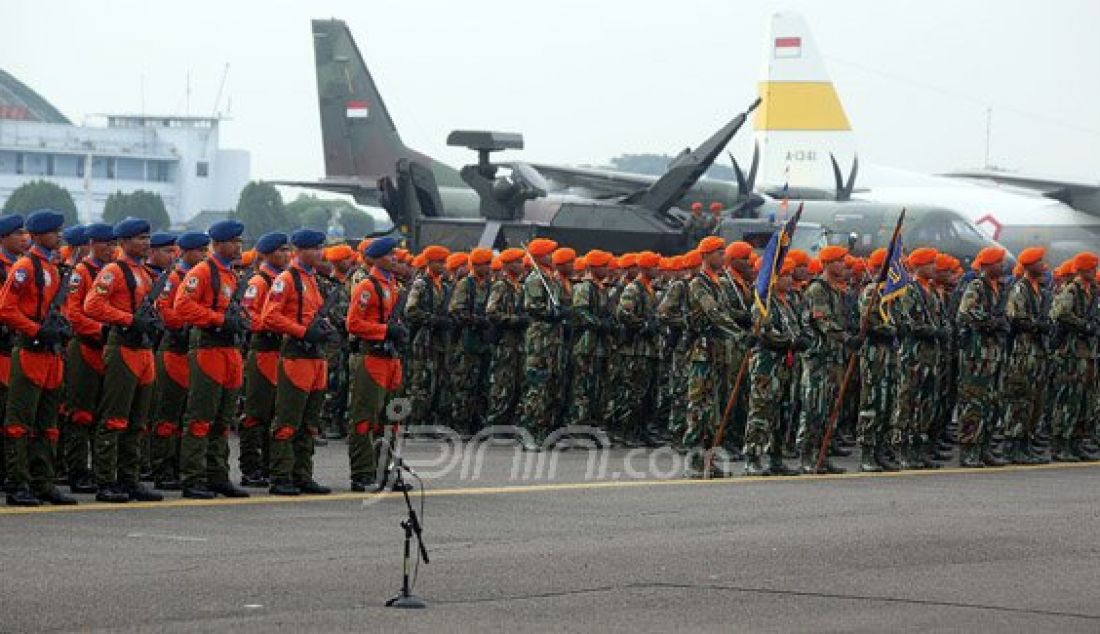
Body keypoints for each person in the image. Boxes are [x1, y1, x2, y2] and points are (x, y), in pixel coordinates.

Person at [82, 218, 163, 503]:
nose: (146, 243)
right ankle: (106, 481)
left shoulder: (144, 272)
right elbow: (91, 305)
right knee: (114, 418)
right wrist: (128, 319)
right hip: (123, 348)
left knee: (138, 421)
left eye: (147, 237)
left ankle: (130, 479)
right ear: (124, 242)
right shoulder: (113, 271)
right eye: (140, 238)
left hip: (143, 351)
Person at [0, 210, 76, 506]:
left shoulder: (54, 267)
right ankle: (19, 484)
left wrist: (63, 327)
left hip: (51, 353)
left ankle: (43, 481)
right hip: (30, 349)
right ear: (38, 235)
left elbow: (62, 307)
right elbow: (6, 309)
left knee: (48, 421)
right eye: (54, 231)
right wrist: (35, 329)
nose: (59, 235)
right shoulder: (25, 267)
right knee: (19, 422)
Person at [174, 220, 251, 499]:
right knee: (201, 416)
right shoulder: (204, 271)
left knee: (223, 418)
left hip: (229, 350)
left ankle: (217, 475)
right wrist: (218, 320)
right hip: (208, 346)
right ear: (218, 244)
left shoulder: (230, 273)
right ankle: (193, 477)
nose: (238, 246)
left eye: (240, 242)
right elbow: (182, 305)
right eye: (234, 242)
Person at [260, 228, 334, 496]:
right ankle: (281, 476)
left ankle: (302, 474)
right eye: (314, 248)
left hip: (314, 355)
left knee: (310, 421)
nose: (319, 253)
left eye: (320, 248)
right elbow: (271, 316)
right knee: (288, 419)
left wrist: (323, 328)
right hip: (296, 354)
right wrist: (303, 332)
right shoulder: (287, 279)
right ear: (300, 250)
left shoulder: (312, 278)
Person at [345, 237, 409, 491]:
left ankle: (386, 470)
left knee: (391, 418)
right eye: (390, 255)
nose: (395, 258)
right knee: (365, 418)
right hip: (372, 358)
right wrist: (385, 331)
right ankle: (362, 472)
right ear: (378, 258)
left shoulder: (394, 285)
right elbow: (353, 324)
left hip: (391, 359)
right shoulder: (367, 286)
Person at [148, 231, 209, 490]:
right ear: (187, 252)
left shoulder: (202, 276)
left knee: (186, 412)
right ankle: (163, 467)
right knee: (168, 413)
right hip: (174, 349)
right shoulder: (173, 278)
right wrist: (184, 323)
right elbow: (162, 308)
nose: (205, 255)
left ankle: (183, 465)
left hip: (191, 351)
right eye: (200, 251)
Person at [681, 237, 743, 476]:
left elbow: (727, 310)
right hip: (703, 352)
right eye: (718, 252)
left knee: (715, 410)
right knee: (699, 407)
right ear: (705, 255)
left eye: (724, 252)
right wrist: (738, 333)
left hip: (719, 352)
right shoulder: (699, 282)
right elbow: (713, 312)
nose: (722, 256)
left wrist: (746, 317)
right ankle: (695, 461)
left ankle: (710, 459)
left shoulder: (722, 283)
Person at [796, 245, 855, 474]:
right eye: (839, 261)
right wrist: (846, 338)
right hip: (819, 357)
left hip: (834, 357)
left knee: (830, 408)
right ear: (828, 264)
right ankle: (806, 455)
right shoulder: (817, 290)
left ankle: (822, 453)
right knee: (814, 407)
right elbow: (823, 321)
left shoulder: (836, 290)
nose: (843, 265)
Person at [238, 232, 289, 487]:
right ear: (268, 253)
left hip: (279, 350)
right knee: (256, 412)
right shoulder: (259, 282)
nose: (286, 255)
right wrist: (271, 324)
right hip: (263, 349)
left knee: (274, 411)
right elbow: (247, 315)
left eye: (287, 250)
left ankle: (269, 465)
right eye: (281, 251)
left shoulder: (281, 280)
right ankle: (250, 467)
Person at [743, 256, 801, 477]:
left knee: (782, 411)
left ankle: (775, 456)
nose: (789, 279)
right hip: (766, 364)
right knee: (761, 410)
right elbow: (765, 332)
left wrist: (798, 340)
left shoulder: (786, 302)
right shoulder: (763, 300)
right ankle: (753, 457)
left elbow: (796, 328)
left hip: (785, 364)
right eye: (784, 275)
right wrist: (792, 341)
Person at [956, 246, 1010, 468]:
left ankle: (984, 447)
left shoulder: (1000, 288)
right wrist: (991, 322)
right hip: (977, 356)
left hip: (994, 354)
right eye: (998, 262)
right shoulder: (977, 286)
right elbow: (966, 312)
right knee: (973, 403)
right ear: (988, 266)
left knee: (991, 402)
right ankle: (969, 449)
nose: (1002, 266)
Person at [1002, 247, 1049, 464]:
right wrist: (1038, 326)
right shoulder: (1020, 289)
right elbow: (1016, 318)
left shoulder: (1038, 289)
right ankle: (1013, 445)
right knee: (1020, 400)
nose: (1043, 265)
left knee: (1034, 401)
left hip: (1037, 352)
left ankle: (1026, 443)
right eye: (1039, 261)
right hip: (1023, 352)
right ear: (1030, 266)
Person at [520, 238, 566, 450]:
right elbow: (532, 306)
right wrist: (550, 313)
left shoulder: (551, 279)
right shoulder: (535, 279)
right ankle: (530, 433)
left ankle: (545, 431)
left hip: (552, 338)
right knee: (537, 385)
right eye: (549, 253)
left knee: (550, 386)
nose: (552, 257)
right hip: (540, 338)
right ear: (539, 256)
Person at [856, 248, 898, 472]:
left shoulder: (893, 292)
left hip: (890, 355)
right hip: (874, 354)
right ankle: (867, 451)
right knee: (871, 402)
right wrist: (891, 329)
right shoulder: (872, 291)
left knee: (888, 402)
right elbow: (869, 322)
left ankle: (881, 449)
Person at [447, 247, 494, 437]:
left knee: (482, 385)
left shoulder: (490, 285)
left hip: (484, 342)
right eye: (486, 264)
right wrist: (476, 321)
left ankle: (478, 424)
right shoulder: (465, 285)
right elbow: (456, 310)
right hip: (467, 342)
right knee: (464, 385)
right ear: (476, 265)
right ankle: (461, 425)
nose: (490, 268)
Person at [0, 214, 27, 491]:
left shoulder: (25, 266)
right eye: (18, 233)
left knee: (12, 413)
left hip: (15, 348)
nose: (24, 238)